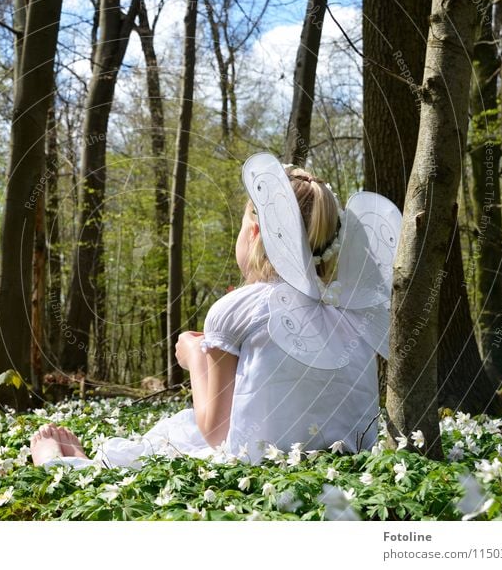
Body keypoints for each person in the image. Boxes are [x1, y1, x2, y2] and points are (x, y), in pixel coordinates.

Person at [30, 152, 401, 468]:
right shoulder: (354, 314)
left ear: (254, 233)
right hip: (344, 466)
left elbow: (216, 432)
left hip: (256, 466)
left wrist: (195, 357)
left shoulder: (238, 308)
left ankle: (62, 465)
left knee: (157, 454)